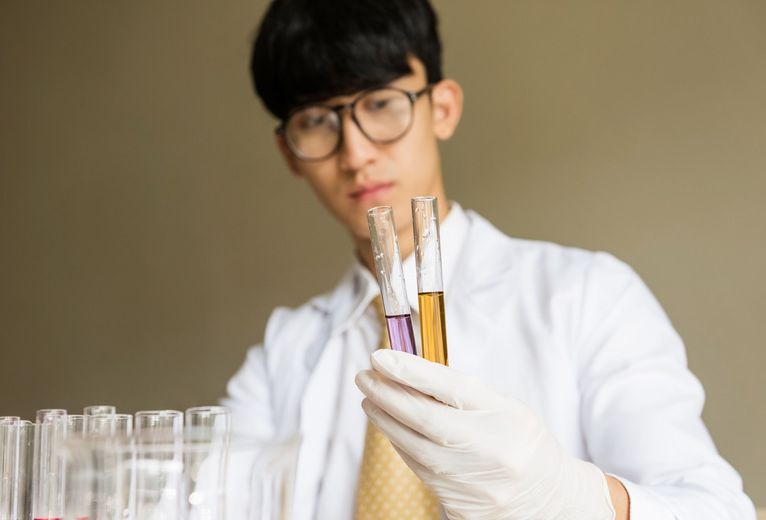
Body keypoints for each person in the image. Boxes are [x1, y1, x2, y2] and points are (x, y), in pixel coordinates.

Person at [221, 0, 756, 518]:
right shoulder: (282, 356)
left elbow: (715, 509)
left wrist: (573, 499)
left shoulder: (588, 296)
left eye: (381, 103)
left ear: (444, 108)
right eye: (317, 119)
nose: (355, 153)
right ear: (289, 151)